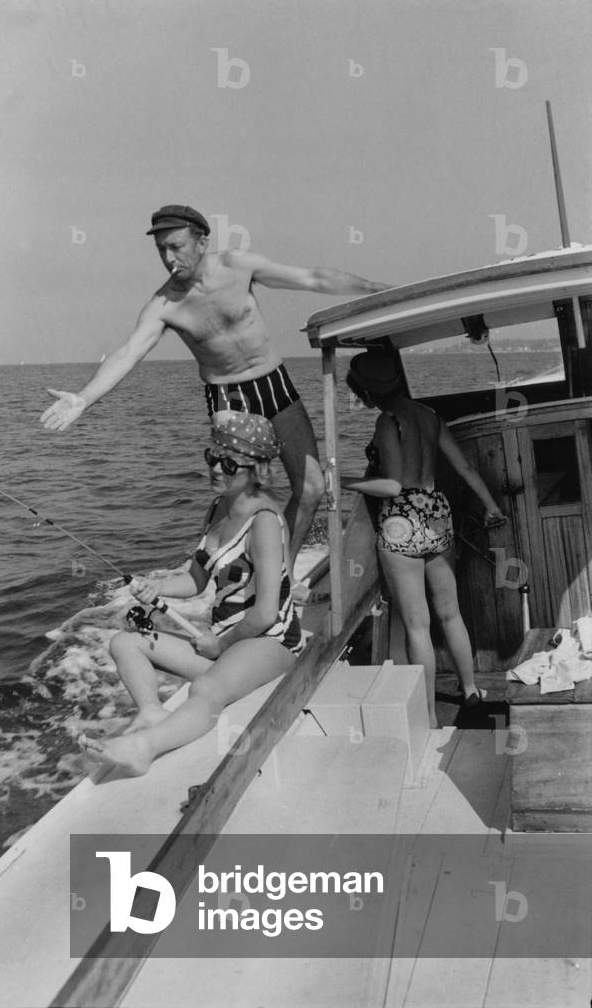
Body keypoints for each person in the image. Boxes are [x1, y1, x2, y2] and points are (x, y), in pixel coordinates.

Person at [40, 203, 390, 559]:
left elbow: (313, 278)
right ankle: (212, 570)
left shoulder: (239, 266)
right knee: (240, 495)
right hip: (228, 396)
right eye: (161, 249)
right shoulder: (165, 304)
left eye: (175, 246)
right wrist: (82, 399)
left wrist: (375, 289)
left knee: (313, 486)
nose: (167, 257)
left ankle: (279, 570)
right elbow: (127, 353)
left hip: (273, 382)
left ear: (202, 242)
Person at [79, 410, 305, 775]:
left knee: (206, 692)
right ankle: (151, 711)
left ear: (257, 471)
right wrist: (156, 588)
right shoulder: (217, 508)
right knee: (125, 643)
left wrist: (220, 644)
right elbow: (197, 580)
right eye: (212, 458)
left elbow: (265, 614)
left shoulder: (263, 522)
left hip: (270, 643)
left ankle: (143, 748)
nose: (216, 468)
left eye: (229, 464)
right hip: (225, 643)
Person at [341, 351, 506, 728]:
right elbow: (463, 466)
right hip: (437, 516)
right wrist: (491, 506)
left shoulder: (387, 421)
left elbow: (392, 484)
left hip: (402, 522)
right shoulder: (429, 415)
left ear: (367, 391)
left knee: (418, 625)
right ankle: (471, 692)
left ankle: (429, 717)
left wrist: (342, 481)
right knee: (451, 614)